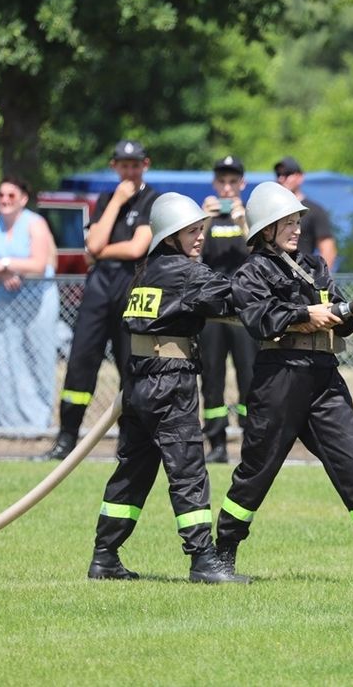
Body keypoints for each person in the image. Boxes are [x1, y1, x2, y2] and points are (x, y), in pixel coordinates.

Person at [214, 182, 353, 582]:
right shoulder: (251, 272)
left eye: (297, 221)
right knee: (257, 470)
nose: (296, 228)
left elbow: (339, 321)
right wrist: (304, 314)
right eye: (286, 222)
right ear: (264, 229)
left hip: (324, 375)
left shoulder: (315, 266)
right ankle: (224, 553)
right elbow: (260, 321)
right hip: (279, 378)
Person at [88, 192, 247, 584]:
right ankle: (202, 560)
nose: (199, 238)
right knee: (188, 469)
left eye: (200, 230)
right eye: (190, 231)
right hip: (170, 381)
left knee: (133, 471)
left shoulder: (148, 270)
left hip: (140, 379)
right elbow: (232, 297)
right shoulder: (185, 272)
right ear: (170, 235)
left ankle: (104, 556)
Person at [39, 139, 159, 460]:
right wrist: (117, 203)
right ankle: (66, 438)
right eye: (124, 164)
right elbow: (92, 244)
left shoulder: (152, 199)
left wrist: (100, 251)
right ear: (114, 166)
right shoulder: (107, 198)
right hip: (99, 286)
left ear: (144, 165)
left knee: (129, 365)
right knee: (80, 361)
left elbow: (136, 249)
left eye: (135, 165)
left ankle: (130, 441)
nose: (129, 171)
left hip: (132, 286)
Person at [0, 178, 59, 429]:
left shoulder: (35, 223)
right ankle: (4, 420)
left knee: (36, 356)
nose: (5, 200)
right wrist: (3, 274)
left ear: (23, 198)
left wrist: (6, 264)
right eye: (1, 195)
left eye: (11, 195)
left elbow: (40, 264)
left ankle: (37, 421)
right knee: (0, 355)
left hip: (37, 300)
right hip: (1, 299)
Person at [198, 154, 256, 463]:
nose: (228, 187)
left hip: (245, 309)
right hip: (212, 310)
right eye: (222, 181)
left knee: (249, 376)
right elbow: (192, 254)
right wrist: (205, 220)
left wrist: (243, 221)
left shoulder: (249, 216)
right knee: (211, 378)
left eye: (233, 181)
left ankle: (251, 440)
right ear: (214, 183)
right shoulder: (204, 217)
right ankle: (216, 442)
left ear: (242, 183)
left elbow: (260, 253)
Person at [274, 156, 337, 270]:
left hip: (302, 278)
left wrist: (320, 280)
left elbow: (328, 249)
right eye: (279, 174)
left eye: (287, 174)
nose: (282, 178)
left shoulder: (314, 210)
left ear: (300, 177)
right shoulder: (272, 210)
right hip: (274, 277)